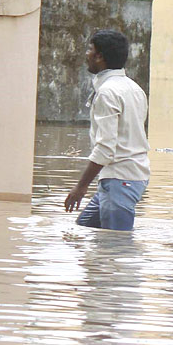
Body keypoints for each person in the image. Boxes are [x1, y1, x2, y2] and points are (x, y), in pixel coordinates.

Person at [64, 29, 150, 231]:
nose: (86, 54)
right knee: (84, 227)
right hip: (128, 176)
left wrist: (81, 186)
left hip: (120, 180)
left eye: (89, 49)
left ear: (99, 56)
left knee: (116, 247)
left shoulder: (107, 93)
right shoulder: (134, 88)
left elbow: (105, 149)